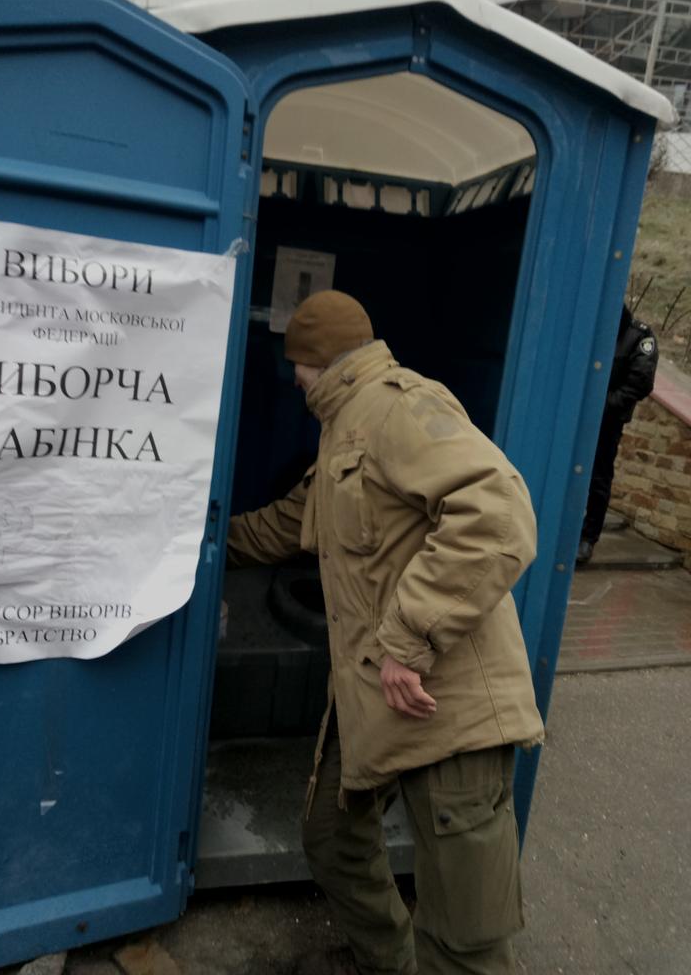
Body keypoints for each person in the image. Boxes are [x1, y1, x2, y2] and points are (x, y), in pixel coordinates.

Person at [226, 290, 544, 975]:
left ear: (316, 360)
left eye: (295, 363)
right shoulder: (343, 424)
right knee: (333, 839)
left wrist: (408, 640)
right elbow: (291, 522)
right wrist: (200, 544)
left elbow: (499, 515)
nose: (292, 378)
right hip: (377, 693)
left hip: (447, 704)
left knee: (465, 939)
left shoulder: (400, 407)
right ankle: (387, 963)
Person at [577, 304, 658, 565]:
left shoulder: (639, 336)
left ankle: (588, 537)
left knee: (598, 477)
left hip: (607, 421)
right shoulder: (590, 329)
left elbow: (640, 383)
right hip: (574, 416)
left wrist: (602, 404)